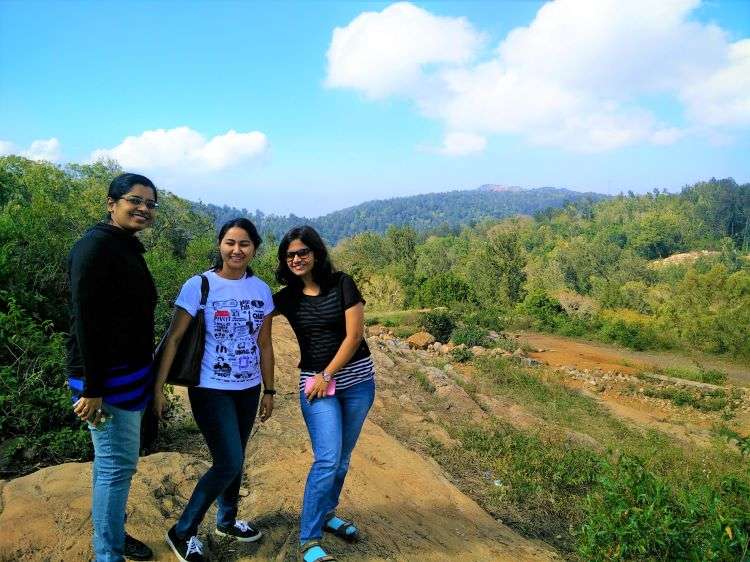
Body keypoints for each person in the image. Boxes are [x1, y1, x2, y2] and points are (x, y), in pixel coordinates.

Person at [155, 218, 276, 562]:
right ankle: (182, 531)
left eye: (245, 244)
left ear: (254, 249)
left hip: (248, 388)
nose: (237, 250)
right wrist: (158, 388)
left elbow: (265, 344)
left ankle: (226, 520)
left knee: (235, 457)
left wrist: (270, 390)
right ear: (220, 244)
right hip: (210, 388)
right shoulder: (199, 285)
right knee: (228, 461)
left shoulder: (261, 290)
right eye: (230, 243)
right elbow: (174, 339)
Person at [67, 172, 158, 562]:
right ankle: (107, 553)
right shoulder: (94, 248)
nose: (143, 208)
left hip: (129, 374)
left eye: (150, 204)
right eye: (135, 200)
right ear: (111, 203)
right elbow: (85, 321)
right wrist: (92, 387)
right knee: (114, 466)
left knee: (122, 462)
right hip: (105, 378)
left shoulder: (124, 245)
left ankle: (113, 534)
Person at [272, 226, 375, 562]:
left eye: (302, 252)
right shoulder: (285, 297)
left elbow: (354, 336)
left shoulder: (342, 283)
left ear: (316, 253)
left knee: (342, 460)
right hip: (317, 390)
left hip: (357, 384)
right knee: (327, 458)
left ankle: (328, 514)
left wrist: (327, 373)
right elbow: (252, 310)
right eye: (290, 255)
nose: (297, 259)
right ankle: (309, 538)